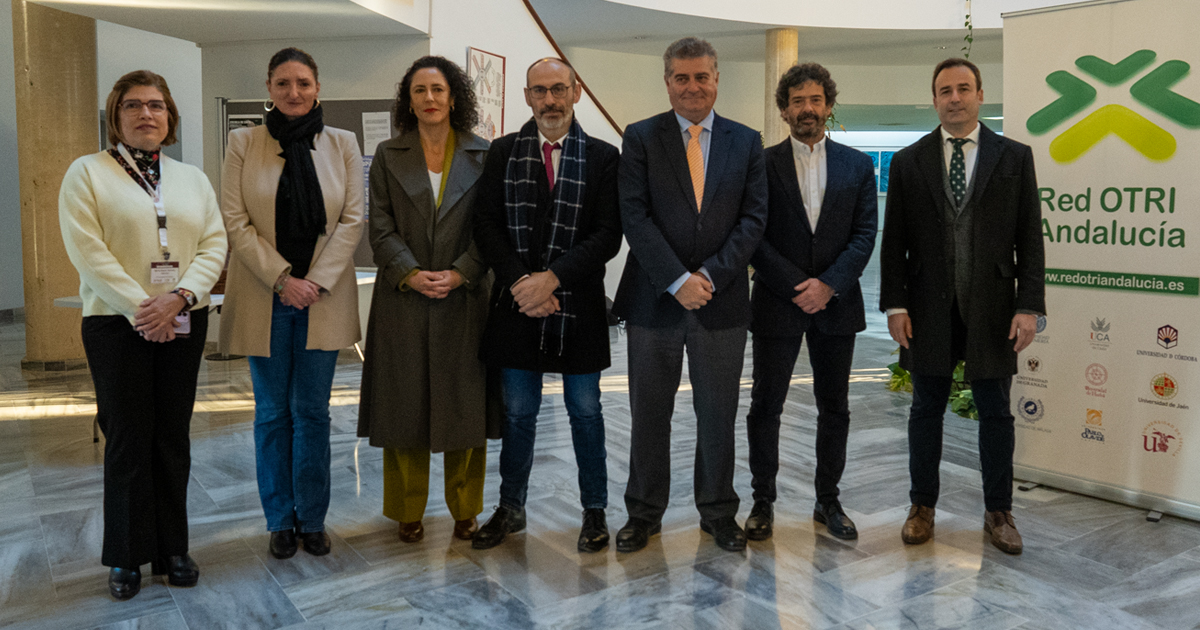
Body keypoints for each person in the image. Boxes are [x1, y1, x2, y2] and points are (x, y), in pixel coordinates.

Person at [60, 70, 227, 600]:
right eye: (133, 106)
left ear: (170, 117)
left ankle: (173, 547)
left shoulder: (192, 178)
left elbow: (213, 244)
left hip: (182, 317)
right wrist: (142, 307)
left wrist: (178, 299)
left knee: (172, 435)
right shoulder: (86, 173)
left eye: (156, 105)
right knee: (129, 437)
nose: (145, 114)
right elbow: (87, 250)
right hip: (115, 323)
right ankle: (129, 555)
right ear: (116, 117)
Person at [880, 58, 1044, 555]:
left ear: (979, 95)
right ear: (934, 100)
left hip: (994, 308)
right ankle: (921, 506)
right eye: (945, 90)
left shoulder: (1014, 157)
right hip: (927, 309)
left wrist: (1029, 305)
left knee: (995, 411)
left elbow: (1029, 239)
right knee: (925, 409)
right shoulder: (909, 162)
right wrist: (894, 306)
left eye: (964, 88)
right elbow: (896, 244)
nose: (955, 97)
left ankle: (999, 511)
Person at [612, 37, 767, 553]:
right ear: (667, 82)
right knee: (649, 412)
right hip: (654, 301)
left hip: (721, 304)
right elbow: (635, 216)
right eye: (682, 77)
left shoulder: (746, 142)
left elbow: (753, 220)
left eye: (702, 76)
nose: (693, 86)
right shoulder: (640, 138)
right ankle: (644, 513)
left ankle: (719, 512)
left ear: (717, 79)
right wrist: (678, 280)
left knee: (718, 413)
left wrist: (712, 277)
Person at [471, 58, 622, 553]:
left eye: (559, 89)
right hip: (517, 305)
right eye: (541, 91)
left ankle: (594, 511)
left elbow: (608, 236)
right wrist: (522, 284)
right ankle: (510, 508)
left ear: (576, 93)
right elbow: (486, 226)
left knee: (586, 412)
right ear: (527, 96)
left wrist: (552, 279)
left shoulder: (603, 157)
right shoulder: (503, 152)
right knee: (517, 415)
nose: (550, 100)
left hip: (577, 307)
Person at [220, 47, 364, 559]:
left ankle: (313, 518)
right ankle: (280, 520)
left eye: (303, 82)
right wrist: (284, 280)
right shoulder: (243, 142)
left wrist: (313, 282)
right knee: (271, 414)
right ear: (269, 88)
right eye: (283, 83)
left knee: (312, 412)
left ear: (317, 87)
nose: (294, 92)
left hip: (320, 299)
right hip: (266, 295)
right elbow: (236, 223)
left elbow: (351, 221)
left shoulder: (343, 143)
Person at [357, 56, 496, 543]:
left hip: (466, 299)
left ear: (453, 96)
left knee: (465, 408)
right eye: (420, 91)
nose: (430, 99)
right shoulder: (388, 153)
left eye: (438, 89)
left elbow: (492, 229)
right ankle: (406, 510)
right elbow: (379, 227)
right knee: (404, 409)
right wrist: (411, 273)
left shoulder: (484, 153)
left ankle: (465, 510)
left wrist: (462, 273)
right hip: (403, 299)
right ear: (408, 100)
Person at [744, 63, 878, 542]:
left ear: (828, 105)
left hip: (837, 304)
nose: (807, 109)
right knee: (766, 404)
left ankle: (828, 500)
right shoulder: (760, 163)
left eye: (815, 100)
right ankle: (763, 500)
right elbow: (752, 233)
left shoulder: (859, 166)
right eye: (797, 101)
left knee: (834, 407)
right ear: (784, 109)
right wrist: (799, 284)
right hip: (779, 302)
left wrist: (829, 285)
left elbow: (864, 235)